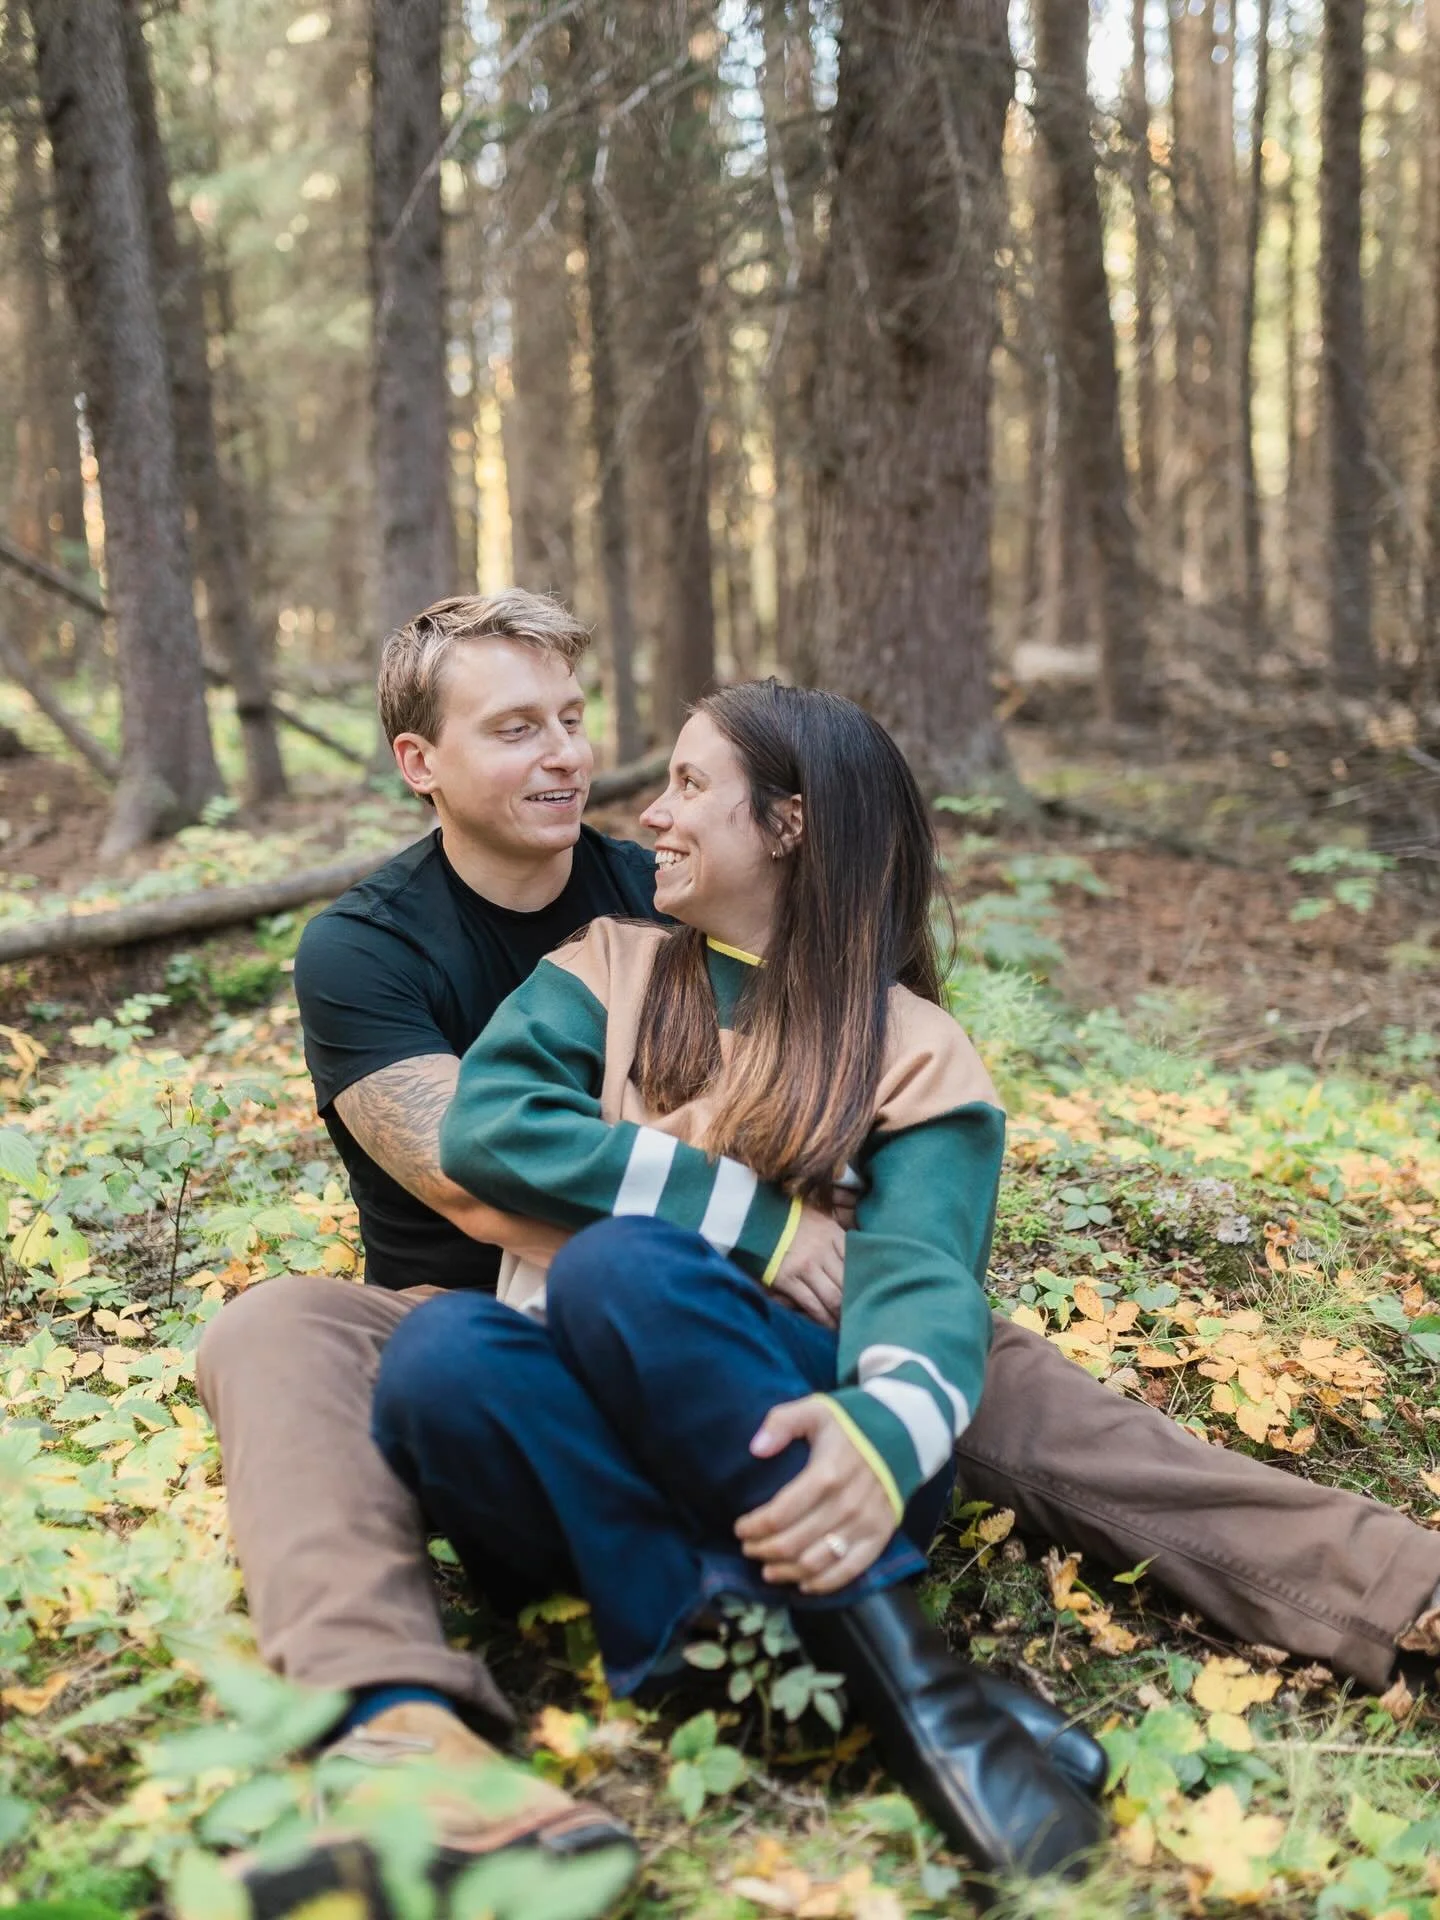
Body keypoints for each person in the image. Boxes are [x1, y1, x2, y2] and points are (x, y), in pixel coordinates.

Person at [197, 593, 1440, 1911]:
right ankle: (399, 1738)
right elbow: (474, 1179)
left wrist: (865, 1289)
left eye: (570, 717)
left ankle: (1400, 1588)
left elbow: (858, 1081)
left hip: (754, 1303)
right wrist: (757, 1227)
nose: (568, 756)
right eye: (514, 729)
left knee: (995, 1375)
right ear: (419, 761)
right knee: (276, 1327)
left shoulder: (659, 880)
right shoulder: (373, 945)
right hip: (488, 1313)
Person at [372, 682, 1109, 1879]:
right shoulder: (604, 970)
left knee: (619, 1263)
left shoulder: (912, 1045)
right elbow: (486, 1132)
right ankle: (810, 1666)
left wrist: (881, 1433)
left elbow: (926, 1281)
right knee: (440, 1355)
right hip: (594, 1448)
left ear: (788, 822)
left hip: (817, 1454)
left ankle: (916, 1695)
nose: (651, 815)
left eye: (689, 785)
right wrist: (758, 1222)